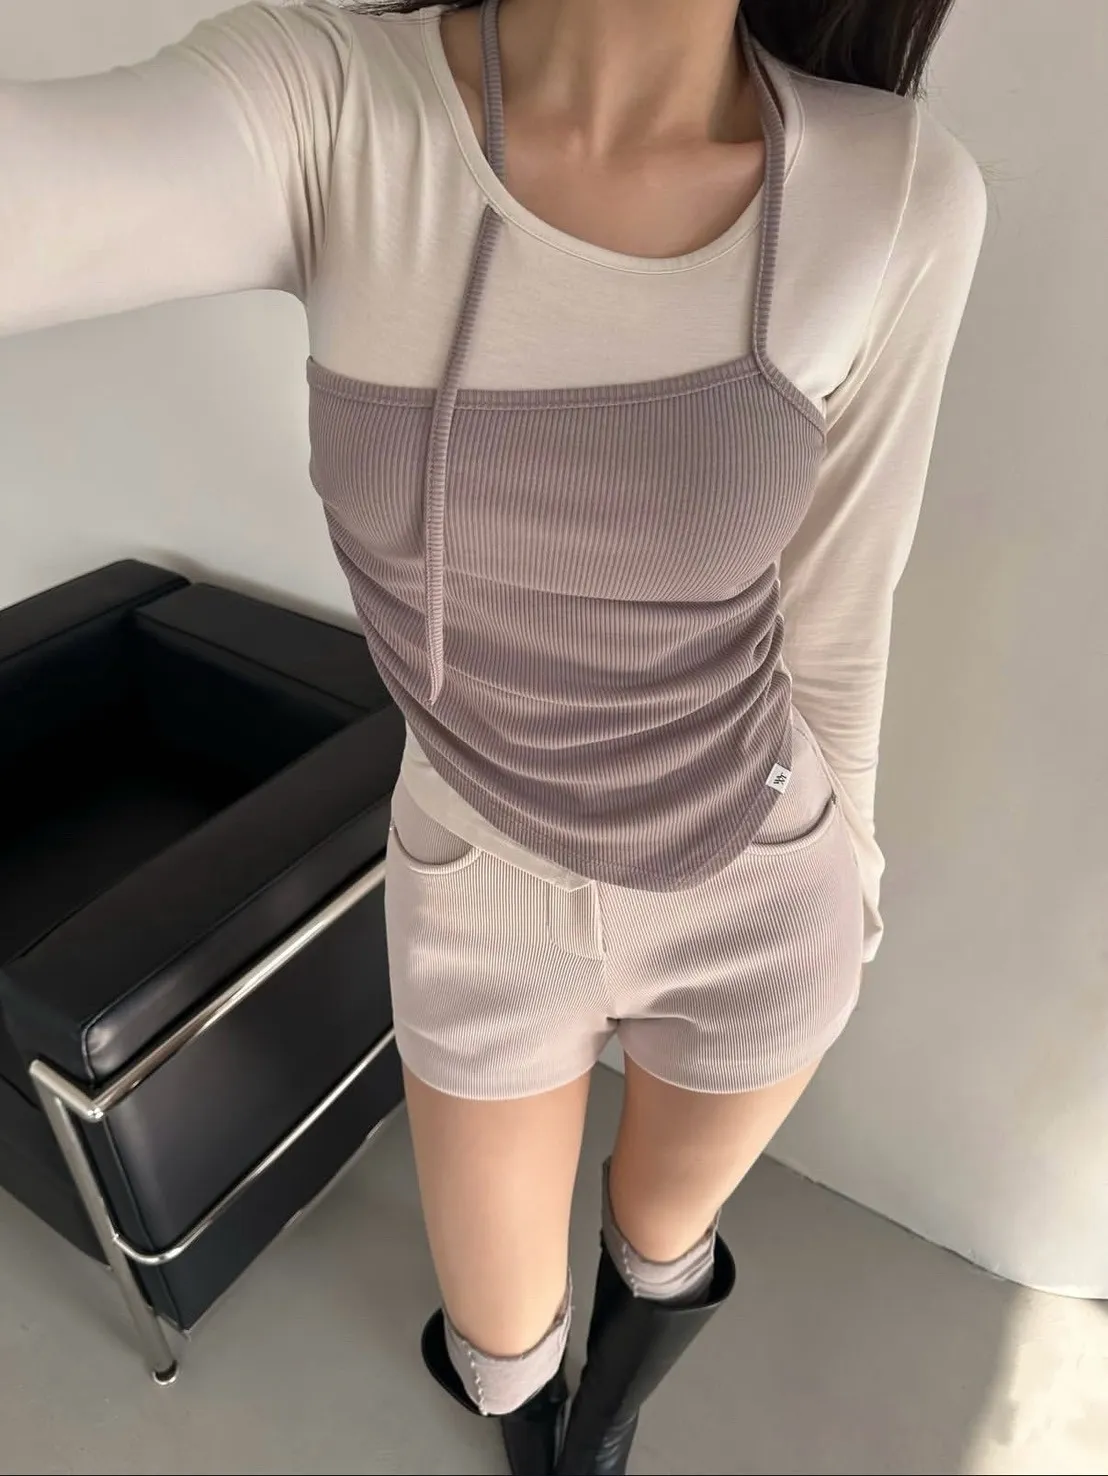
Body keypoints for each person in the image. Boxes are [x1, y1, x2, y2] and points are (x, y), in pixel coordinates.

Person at [0, 0, 986, 1470]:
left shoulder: (893, 187)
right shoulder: (335, 109)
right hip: (480, 895)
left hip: (760, 886)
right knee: (497, 1331)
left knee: (663, 1239)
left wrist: (854, 872)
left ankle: (609, 1429)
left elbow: (842, 614)